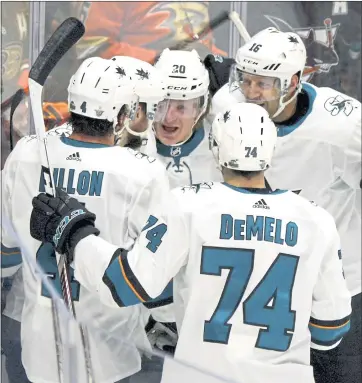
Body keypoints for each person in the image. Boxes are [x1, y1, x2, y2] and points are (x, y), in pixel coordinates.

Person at [29, 102, 352, 383]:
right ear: (272, 151)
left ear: (215, 148)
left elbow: (125, 284)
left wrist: (75, 233)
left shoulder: (188, 206)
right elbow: (329, 331)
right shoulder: (316, 220)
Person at [1, 55, 170, 383]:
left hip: (38, 352)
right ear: (121, 115)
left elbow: (5, 256)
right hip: (115, 358)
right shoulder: (142, 173)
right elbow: (153, 279)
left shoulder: (27, 154)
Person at [207, 27, 361, 383]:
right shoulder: (228, 106)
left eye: (264, 84)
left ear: (293, 82)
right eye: (246, 80)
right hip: (269, 286)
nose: (252, 93)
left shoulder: (344, 125)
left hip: (342, 286)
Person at [118, 48, 223, 188]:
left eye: (181, 108)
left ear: (201, 109)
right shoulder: (124, 144)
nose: (168, 118)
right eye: (161, 105)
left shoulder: (223, 148)